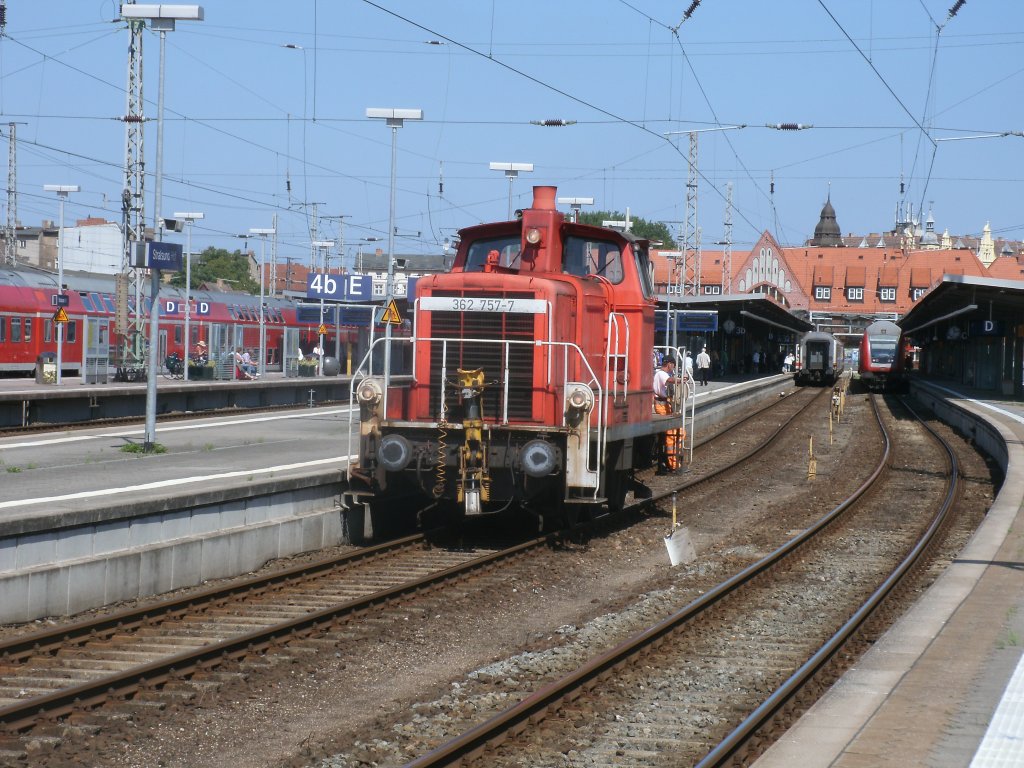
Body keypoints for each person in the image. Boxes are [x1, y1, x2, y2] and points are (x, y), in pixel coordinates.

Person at [652, 356, 684, 474]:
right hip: (661, 405)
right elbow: (669, 380)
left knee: (680, 432)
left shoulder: (660, 374)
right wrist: (681, 380)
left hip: (665, 404)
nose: (673, 368)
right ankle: (673, 464)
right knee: (671, 434)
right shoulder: (661, 374)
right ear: (669, 364)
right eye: (673, 365)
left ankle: (674, 458)